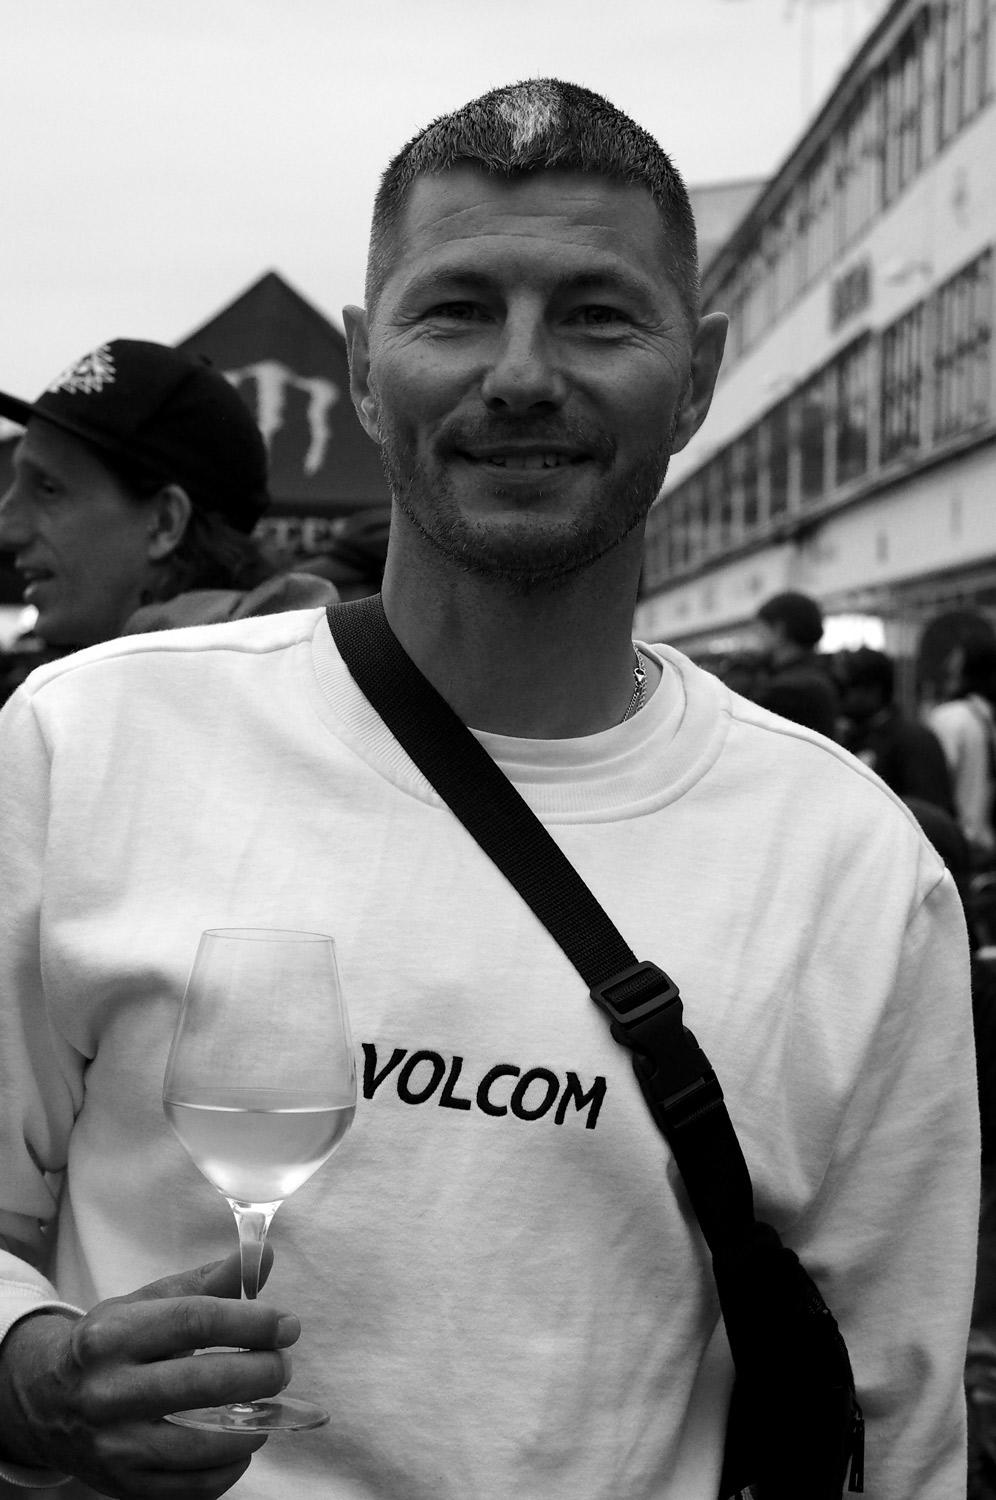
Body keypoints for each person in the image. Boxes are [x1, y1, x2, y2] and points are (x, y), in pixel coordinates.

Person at [0, 79, 978, 1500]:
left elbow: (896, 1420)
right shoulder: (88, 742)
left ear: (698, 374)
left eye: (597, 316)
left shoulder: (853, 868)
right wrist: (31, 1376)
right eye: (456, 311)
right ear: (362, 364)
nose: (520, 374)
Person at [0, 338, 337, 654]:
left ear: (165, 522)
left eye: (48, 489)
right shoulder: (280, 669)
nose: (7, 530)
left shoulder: (172, 691)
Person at [837, 646, 956, 814]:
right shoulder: (853, 736)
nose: (839, 698)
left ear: (873, 691)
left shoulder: (914, 741)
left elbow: (929, 815)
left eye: (845, 689)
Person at [930, 638, 996, 864]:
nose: (948, 665)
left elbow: (935, 784)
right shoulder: (986, 716)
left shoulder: (950, 717)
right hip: (986, 846)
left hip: (953, 848)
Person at [752, 588, 840, 738]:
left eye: (761, 630)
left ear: (779, 630)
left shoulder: (784, 691)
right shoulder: (823, 674)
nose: (757, 637)